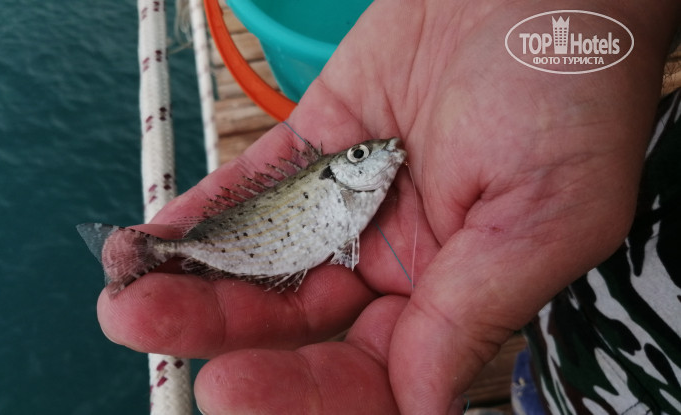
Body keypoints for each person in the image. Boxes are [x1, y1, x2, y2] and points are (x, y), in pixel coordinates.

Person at [96, 1, 681, 413]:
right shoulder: (347, 183)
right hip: (590, 311)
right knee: (556, 337)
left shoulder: (359, 184)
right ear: (341, 171)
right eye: (361, 154)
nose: (380, 153)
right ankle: (546, 385)